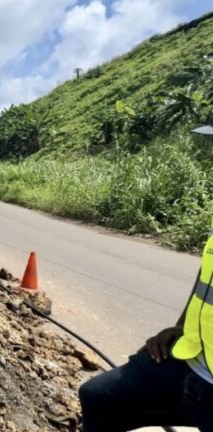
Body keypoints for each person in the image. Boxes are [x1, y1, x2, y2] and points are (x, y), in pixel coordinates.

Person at [78, 123, 213, 432]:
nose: (211, 158)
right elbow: (205, 279)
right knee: (97, 397)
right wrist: (181, 327)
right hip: (191, 365)